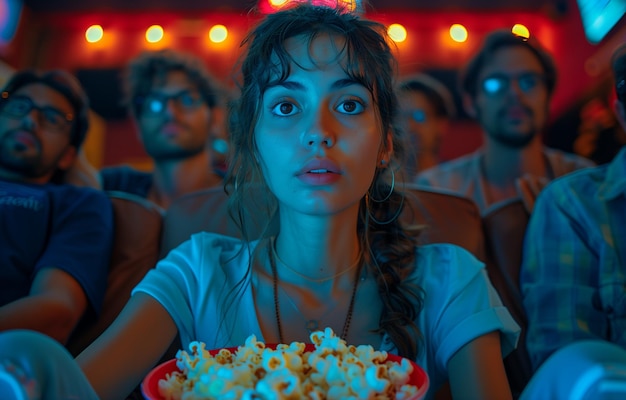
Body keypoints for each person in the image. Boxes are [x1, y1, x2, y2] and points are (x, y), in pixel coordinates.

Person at [0, 5, 519, 400]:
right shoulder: (199, 271)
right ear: (253, 141)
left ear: (385, 142)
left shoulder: (449, 278)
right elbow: (69, 386)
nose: (319, 132)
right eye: (287, 106)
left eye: (350, 103)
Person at [518, 43, 626, 399]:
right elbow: (569, 366)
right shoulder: (574, 204)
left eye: (528, 82)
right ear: (621, 113)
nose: (514, 94)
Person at [415, 30, 593, 214]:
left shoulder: (585, 183)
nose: (514, 93)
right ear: (470, 102)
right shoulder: (438, 191)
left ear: (548, 98)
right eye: (495, 83)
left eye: (529, 81)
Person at [0, 70, 114, 345]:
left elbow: (57, 311)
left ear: (68, 155)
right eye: (19, 106)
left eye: (52, 119)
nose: (30, 121)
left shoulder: (79, 203)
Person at [99, 49, 224, 209]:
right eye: (154, 103)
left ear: (215, 118)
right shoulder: (111, 190)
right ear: (138, 124)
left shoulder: (246, 200)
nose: (170, 112)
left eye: (187, 100)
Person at [396, 73, 456, 179]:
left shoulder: (455, 181)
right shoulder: (381, 183)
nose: (410, 126)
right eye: (402, 116)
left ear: (441, 124)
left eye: (419, 116)